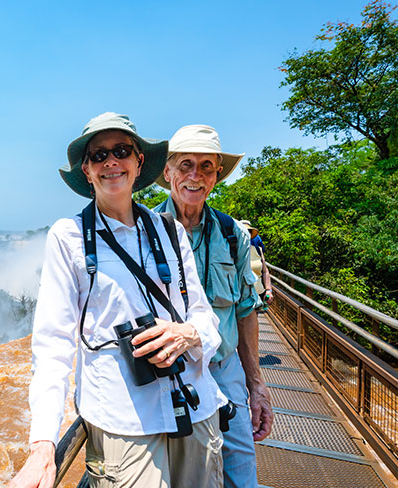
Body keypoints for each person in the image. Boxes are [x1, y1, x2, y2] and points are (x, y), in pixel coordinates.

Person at [10, 113, 227, 488]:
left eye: (122, 150)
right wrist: (42, 445)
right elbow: (53, 346)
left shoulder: (170, 231)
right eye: (99, 155)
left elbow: (206, 317)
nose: (111, 161)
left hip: (195, 405)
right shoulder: (69, 237)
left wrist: (187, 335)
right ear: (87, 170)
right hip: (123, 419)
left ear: (139, 162)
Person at [153, 125, 274, 488]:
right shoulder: (145, 231)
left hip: (225, 366)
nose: (195, 176)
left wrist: (256, 383)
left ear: (217, 174)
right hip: (170, 376)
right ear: (167, 172)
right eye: (185, 165)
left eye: (206, 166)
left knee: (240, 467)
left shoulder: (232, 234)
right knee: (180, 475)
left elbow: (244, 309)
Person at [239, 220, 273, 311]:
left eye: (248, 232)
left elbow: (265, 271)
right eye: (243, 232)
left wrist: (268, 290)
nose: (246, 235)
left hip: (257, 294)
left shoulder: (258, 250)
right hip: (239, 297)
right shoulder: (230, 250)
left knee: (253, 323)